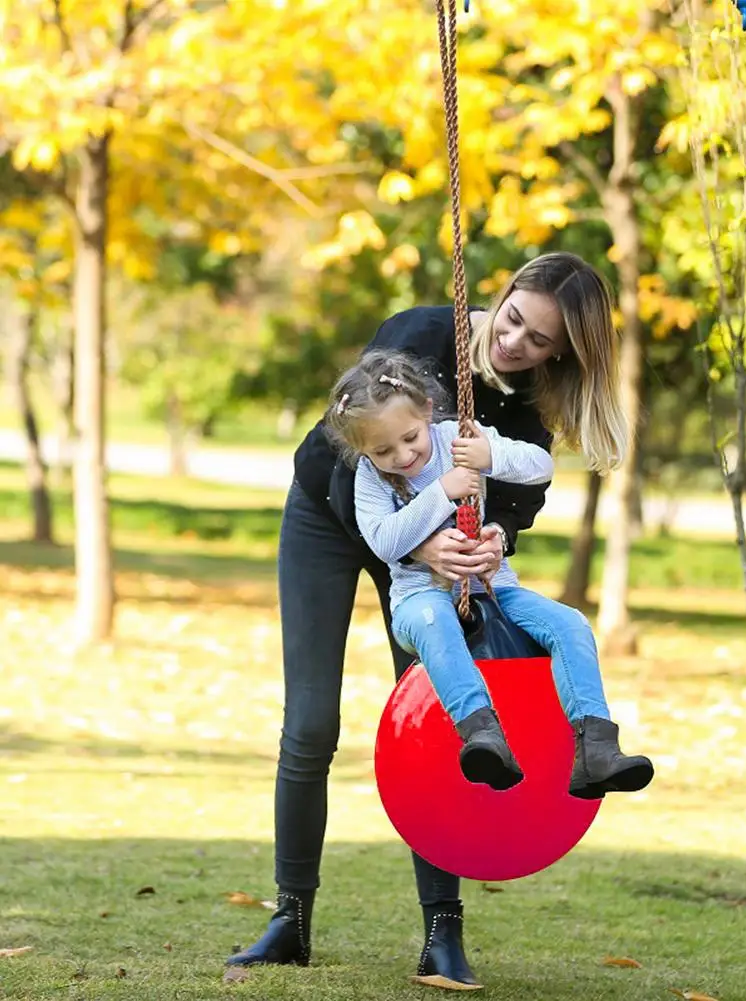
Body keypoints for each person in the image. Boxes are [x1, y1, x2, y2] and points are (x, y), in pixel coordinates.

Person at [226, 252, 631, 991]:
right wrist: (417, 540)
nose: (515, 342)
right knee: (310, 723)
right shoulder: (419, 334)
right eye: (514, 319)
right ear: (504, 293)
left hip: (433, 572)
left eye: (540, 340)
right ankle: (290, 918)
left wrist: (490, 540)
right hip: (329, 520)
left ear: (560, 353)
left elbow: (515, 506)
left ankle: (442, 933)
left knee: (444, 726)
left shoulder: (526, 411)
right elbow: (348, 452)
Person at [326, 349, 655, 797]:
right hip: (420, 600)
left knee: (570, 624)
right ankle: (482, 735)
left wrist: (489, 456)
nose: (402, 455)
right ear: (363, 450)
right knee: (435, 621)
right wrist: (442, 491)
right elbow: (384, 541)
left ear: (426, 411)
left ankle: (596, 747)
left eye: (410, 437)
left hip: (495, 588)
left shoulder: (458, 439)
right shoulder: (370, 477)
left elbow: (540, 467)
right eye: (383, 450)